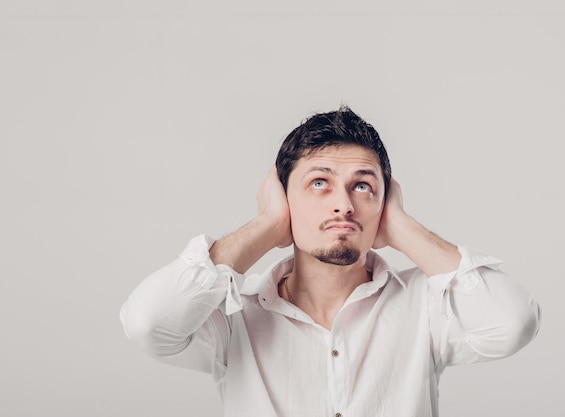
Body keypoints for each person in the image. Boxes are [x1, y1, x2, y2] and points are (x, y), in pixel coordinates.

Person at [120, 106, 541, 417]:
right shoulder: (233, 315)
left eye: (362, 186)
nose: (343, 205)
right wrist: (268, 224)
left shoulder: (423, 305)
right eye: (319, 182)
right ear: (285, 197)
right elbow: (147, 322)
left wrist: (401, 226)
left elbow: (513, 322)